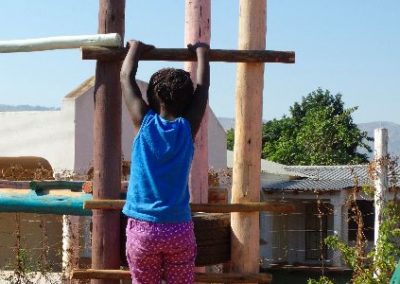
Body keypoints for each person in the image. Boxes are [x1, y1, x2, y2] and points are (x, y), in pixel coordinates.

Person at [120, 40, 209, 284]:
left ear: (152, 96)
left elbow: (126, 77)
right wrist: (201, 52)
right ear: (187, 102)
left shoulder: (144, 122)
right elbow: (203, 88)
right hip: (178, 227)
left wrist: (135, 49)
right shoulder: (187, 128)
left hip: (143, 228)